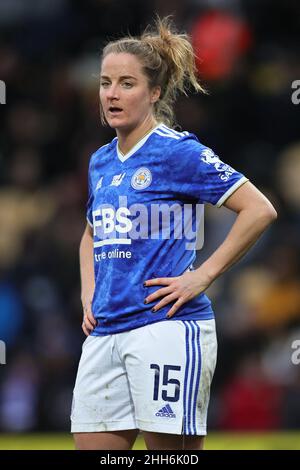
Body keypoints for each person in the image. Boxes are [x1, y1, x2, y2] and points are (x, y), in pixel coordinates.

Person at [71, 16, 277, 450]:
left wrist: (203, 276)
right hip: (105, 333)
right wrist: (89, 291)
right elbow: (90, 236)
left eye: (127, 83)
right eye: (106, 82)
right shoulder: (101, 162)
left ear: (156, 92)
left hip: (164, 329)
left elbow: (259, 209)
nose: (111, 93)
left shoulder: (177, 151)